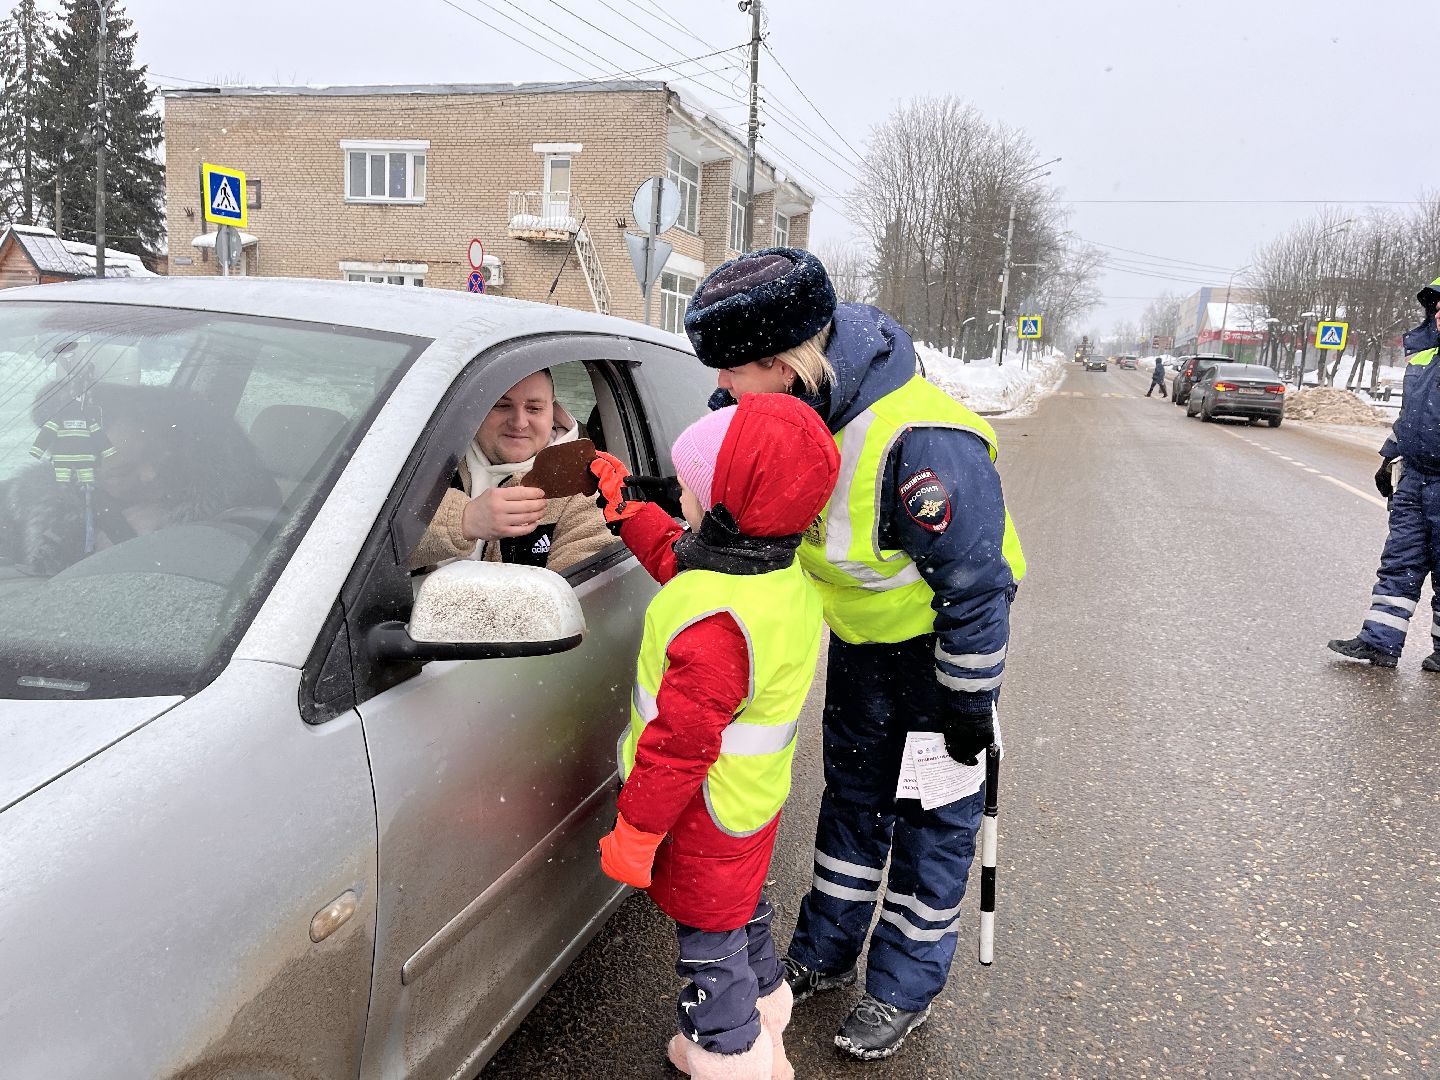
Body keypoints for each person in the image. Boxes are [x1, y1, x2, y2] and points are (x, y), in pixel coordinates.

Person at [683, 247, 1027, 1061]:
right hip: (864, 655)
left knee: (933, 828)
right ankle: (825, 954)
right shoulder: (777, 409)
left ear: (782, 360)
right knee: (852, 807)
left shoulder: (923, 442)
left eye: (733, 371)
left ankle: (903, 988)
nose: (722, 390)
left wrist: (970, 702)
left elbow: (976, 586)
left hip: (940, 663)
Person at [590, 393, 840, 1080]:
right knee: (740, 913)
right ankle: (765, 1015)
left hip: (703, 812)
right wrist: (626, 515)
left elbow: (677, 747)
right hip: (749, 802)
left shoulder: (716, 628)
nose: (677, 496)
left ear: (729, 506)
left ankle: (727, 1053)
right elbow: (685, 557)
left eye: (690, 492)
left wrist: (636, 834)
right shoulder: (770, 571)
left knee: (709, 943)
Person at [0, 379, 280, 575]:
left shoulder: (238, 504)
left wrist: (176, 541)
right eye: (123, 471)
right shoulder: (26, 517)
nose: (150, 473)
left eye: (154, 453)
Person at [1328, 275, 1440, 672]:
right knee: (1400, 563)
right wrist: (1389, 456)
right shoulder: (1426, 358)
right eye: (1437, 307)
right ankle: (1379, 642)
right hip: (1415, 479)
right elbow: (1410, 418)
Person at [407, 369, 612, 573]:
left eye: (534, 409)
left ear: (554, 412)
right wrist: (462, 521)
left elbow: (567, 596)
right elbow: (383, 539)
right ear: (479, 407)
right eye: (502, 405)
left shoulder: (587, 489)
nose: (519, 423)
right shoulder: (430, 458)